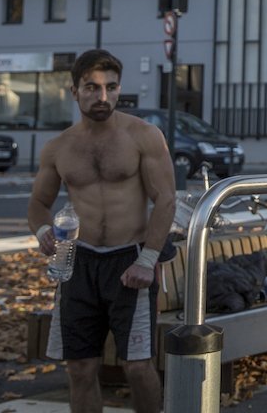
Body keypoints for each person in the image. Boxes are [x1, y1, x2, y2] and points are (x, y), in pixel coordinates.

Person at [28, 49, 177, 413]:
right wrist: (43, 231)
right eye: (92, 88)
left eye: (111, 87)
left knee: (138, 367)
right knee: (80, 368)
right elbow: (37, 205)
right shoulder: (58, 147)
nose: (103, 97)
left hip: (130, 262)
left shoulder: (143, 136)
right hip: (78, 264)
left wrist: (147, 259)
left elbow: (166, 200)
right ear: (74, 90)